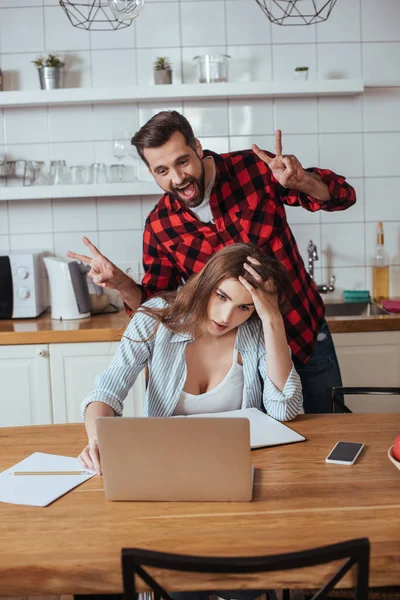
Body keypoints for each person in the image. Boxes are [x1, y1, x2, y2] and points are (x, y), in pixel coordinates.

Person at [68, 110, 356, 413]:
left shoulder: (254, 170)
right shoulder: (160, 225)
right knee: (273, 443)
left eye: (182, 161)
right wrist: (122, 284)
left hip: (303, 332)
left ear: (198, 147)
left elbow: (343, 196)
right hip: (243, 356)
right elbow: (161, 310)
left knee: (329, 427)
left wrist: (304, 182)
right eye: (162, 171)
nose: (178, 178)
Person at [78, 243, 303, 474]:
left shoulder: (257, 331)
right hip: (165, 463)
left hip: (237, 465)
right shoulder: (155, 318)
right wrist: (97, 438)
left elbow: (283, 409)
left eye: (244, 307)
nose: (226, 317)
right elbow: (108, 390)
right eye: (221, 296)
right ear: (206, 284)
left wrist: (272, 318)